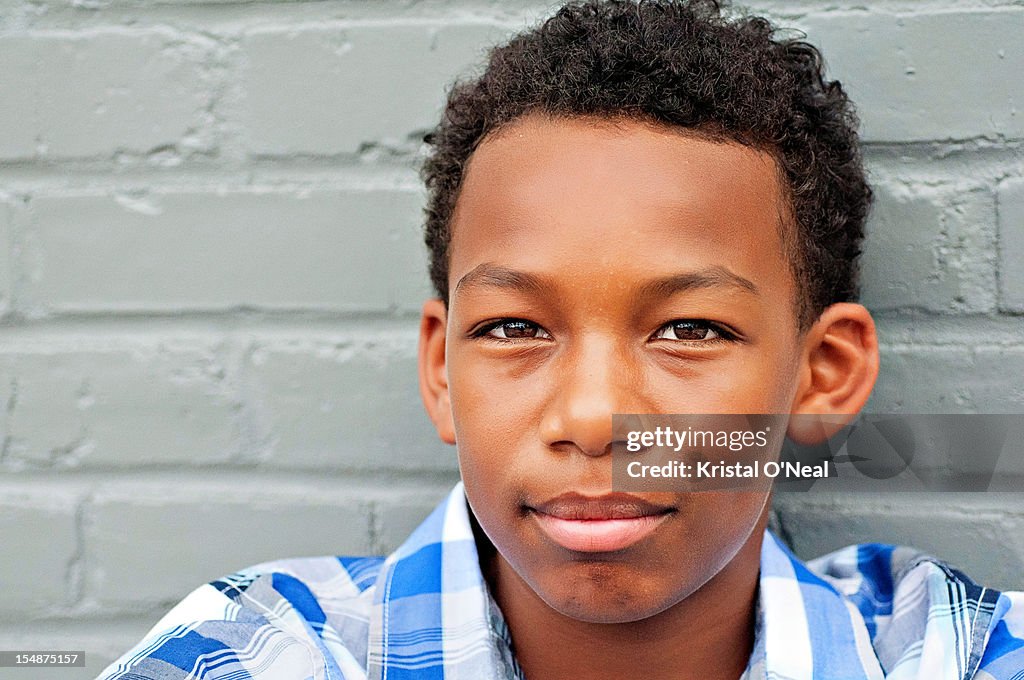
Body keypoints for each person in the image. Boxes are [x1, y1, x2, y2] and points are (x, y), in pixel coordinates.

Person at [95, 1, 1024, 678]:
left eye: (690, 329)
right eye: (512, 328)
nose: (590, 417)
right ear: (441, 369)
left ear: (821, 376)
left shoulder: (956, 655)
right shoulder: (259, 651)